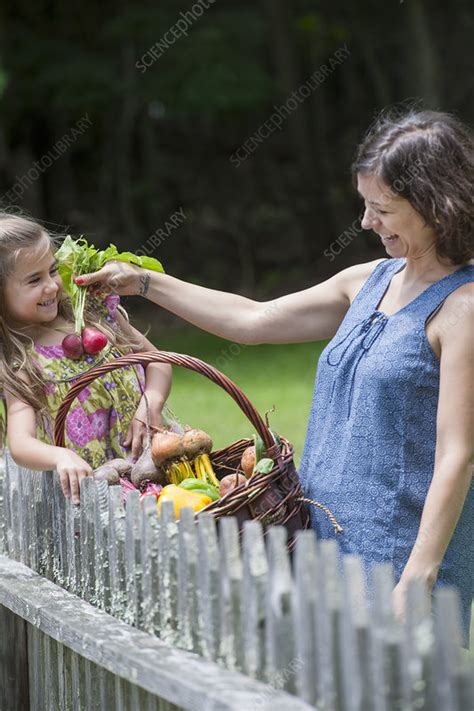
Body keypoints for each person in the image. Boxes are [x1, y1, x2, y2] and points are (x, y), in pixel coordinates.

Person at [75, 109, 473, 645]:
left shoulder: (461, 310)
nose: (365, 222)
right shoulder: (366, 281)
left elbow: (457, 454)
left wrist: (418, 577)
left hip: (396, 556)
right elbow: (252, 321)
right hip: (319, 538)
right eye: (364, 204)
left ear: (436, 208)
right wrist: (143, 282)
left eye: (381, 208)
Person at [0, 214, 172, 505]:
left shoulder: (97, 316)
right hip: (96, 495)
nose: (52, 286)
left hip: (155, 464)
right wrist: (60, 456)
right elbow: (20, 443)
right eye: (34, 280)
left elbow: (158, 362)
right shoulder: (21, 364)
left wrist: (149, 404)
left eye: (53, 271)